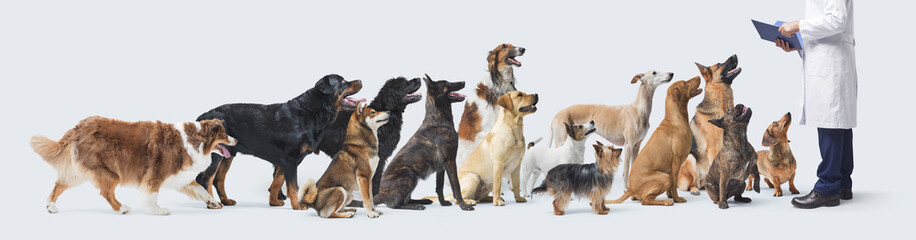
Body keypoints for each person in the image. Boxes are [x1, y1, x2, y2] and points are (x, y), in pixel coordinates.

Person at [775, 0, 856, 209]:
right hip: (829, 58)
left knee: (830, 123)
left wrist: (798, 25)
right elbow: (826, 28)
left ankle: (827, 188)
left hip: (832, 62)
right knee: (839, 124)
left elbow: (836, 20)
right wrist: (798, 45)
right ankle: (842, 184)